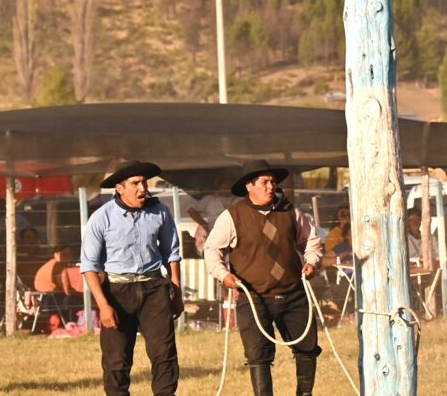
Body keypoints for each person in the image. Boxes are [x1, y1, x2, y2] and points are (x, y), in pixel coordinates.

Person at [204, 160, 323, 396]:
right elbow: (212, 249)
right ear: (249, 186)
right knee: (258, 356)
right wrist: (223, 275)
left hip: (293, 293)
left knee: (307, 349)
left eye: (273, 182)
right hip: (254, 296)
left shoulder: (291, 211)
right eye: (264, 182)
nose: (271, 187)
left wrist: (311, 261)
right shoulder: (232, 216)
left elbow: (311, 240)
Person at [80, 161, 183, 396]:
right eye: (135, 183)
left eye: (144, 182)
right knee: (117, 360)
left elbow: (172, 254)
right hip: (117, 290)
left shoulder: (160, 212)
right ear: (120, 188)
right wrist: (103, 305)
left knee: (164, 354)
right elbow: (89, 266)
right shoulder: (101, 218)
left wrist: (176, 293)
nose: (142, 188)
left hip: (154, 288)